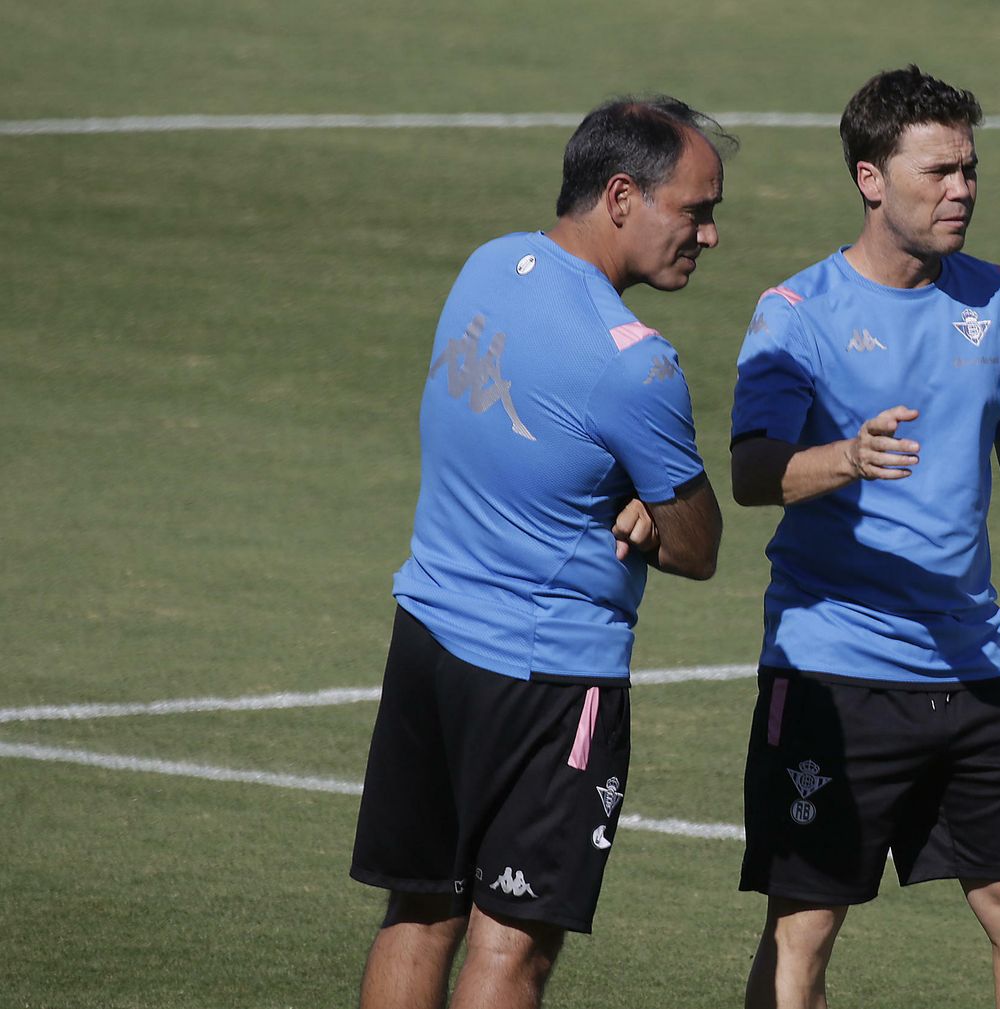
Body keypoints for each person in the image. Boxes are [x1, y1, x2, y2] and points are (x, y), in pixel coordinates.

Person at [729, 66, 1000, 1009]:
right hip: (838, 672)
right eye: (938, 171)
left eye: (969, 168)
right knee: (804, 928)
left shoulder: (995, 299)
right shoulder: (798, 314)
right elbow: (753, 472)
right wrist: (842, 458)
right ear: (871, 178)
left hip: (971, 666)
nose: (961, 189)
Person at [350, 96, 732, 1009]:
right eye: (697, 210)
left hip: (428, 644)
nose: (710, 236)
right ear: (621, 196)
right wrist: (648, 498)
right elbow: (697, 545)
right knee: (510, 951)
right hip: (549, 682)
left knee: (417, 913)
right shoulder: (634, 363)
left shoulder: (487, 267)